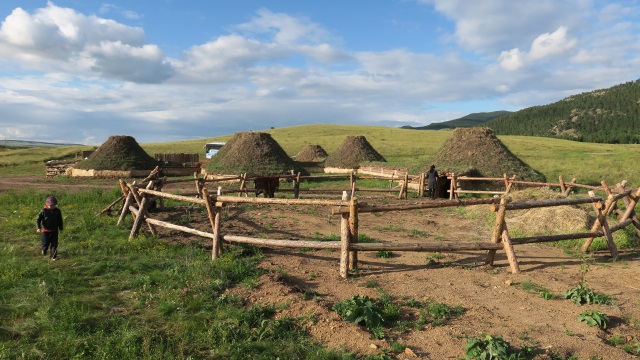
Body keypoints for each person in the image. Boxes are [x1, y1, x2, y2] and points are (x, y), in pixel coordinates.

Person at [36, 196, 64, 260]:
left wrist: (61, 228)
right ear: (47, 205)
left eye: (53, 205)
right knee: (45, 243)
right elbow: (38, 220)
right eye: (50, 205)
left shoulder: (57, 211)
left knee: (54, 244)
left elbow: (60, 220)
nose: (52, 206)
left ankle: (53, 256)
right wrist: (38, 227)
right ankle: (44, 250)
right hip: (45, 230)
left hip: (54, 230)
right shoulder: (43, 211)